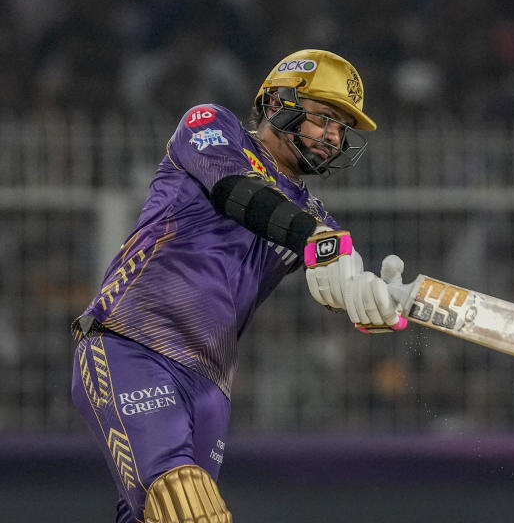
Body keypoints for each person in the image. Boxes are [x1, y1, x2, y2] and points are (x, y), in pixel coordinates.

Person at [69, 49, 407, 523]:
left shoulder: (315, 219)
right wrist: (322, 243)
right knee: (184, 504)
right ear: (277, 103)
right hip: (131, 348)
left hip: (210, 390)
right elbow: (239, 193)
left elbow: (337, 272)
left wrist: (370, 297)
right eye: (325, 118)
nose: (333, 137)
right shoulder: (209, 126)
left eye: (340, 128)